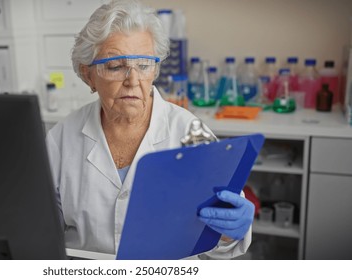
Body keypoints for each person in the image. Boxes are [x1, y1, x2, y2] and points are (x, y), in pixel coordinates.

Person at [46, 0, 254, 259]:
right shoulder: (61, 139)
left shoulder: (190, 134)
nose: (133, 81)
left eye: (143, 65)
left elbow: (217, 247)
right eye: (115, 66)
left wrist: (228, 231)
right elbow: (43, 232)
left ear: (154, 69)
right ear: (88, 75)